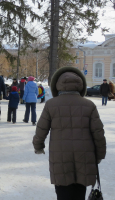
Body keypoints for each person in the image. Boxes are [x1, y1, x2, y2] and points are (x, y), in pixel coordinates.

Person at [33, 67, 106, 200]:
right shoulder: (89, 105)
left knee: (63, 191)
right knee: (79, 192)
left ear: (57, 85)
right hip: (84, 153)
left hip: (60, 154)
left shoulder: (51, 105)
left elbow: (41, 129)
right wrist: (100, 154)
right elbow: (98, 133)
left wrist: (38, 146)